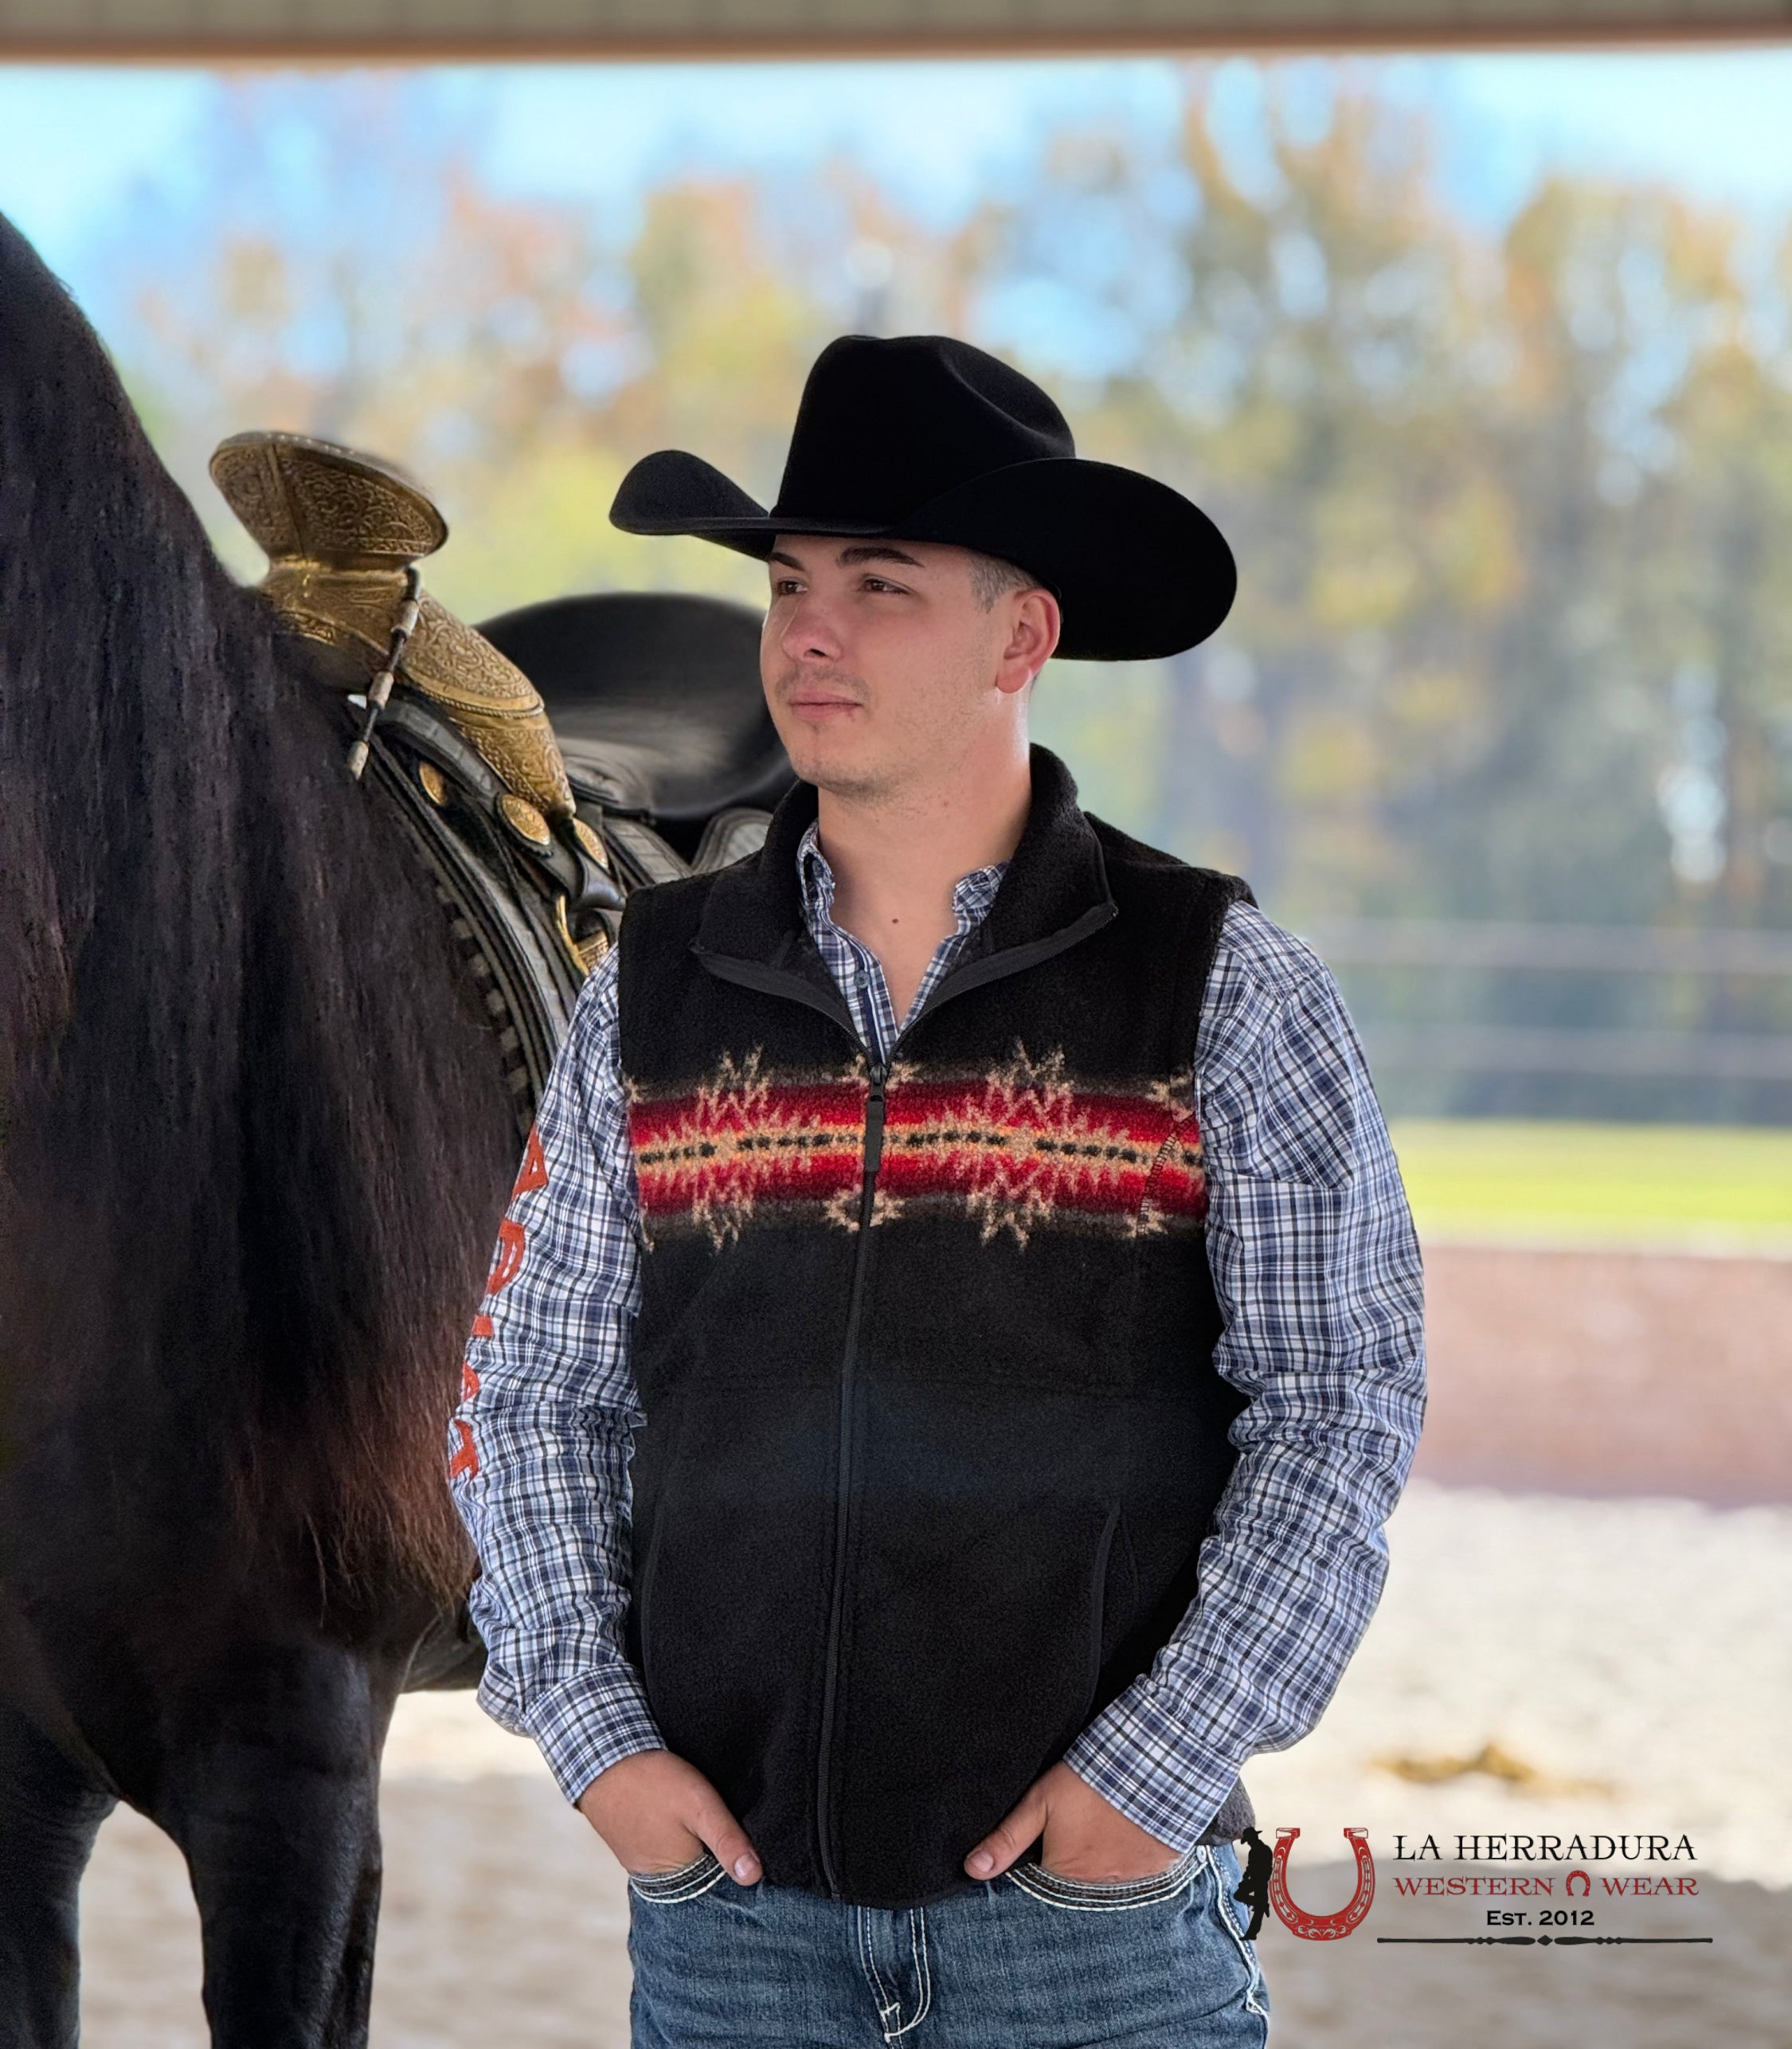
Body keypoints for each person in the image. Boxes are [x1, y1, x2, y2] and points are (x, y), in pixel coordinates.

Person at [448, 335, 1425, 2049]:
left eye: (881, 585)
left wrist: (1154, 1774)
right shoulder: (651, 988)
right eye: (792, 584)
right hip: (732, 1930)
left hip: (1096, 1936)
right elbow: (528, 1393)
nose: (809, 632)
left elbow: (1342, 1405)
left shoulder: (1225, 989)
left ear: (1021, 638)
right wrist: (597, 1744)